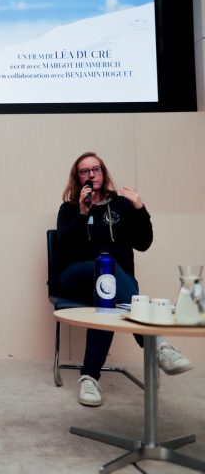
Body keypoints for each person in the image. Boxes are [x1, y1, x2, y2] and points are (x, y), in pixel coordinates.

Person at [56, 152, 192, 407]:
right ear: (78, 178)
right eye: (84, 171)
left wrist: (140, 209)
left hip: (115, 285)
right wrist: (83, 214)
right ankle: (157, 345)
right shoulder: (69, 208)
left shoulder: (121, 205)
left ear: (104, 173)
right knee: (105, 268)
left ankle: (89, 377)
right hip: (76, 277)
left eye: (96, 169)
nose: (91, 175)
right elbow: (64, 249)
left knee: (106, 298)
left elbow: (144, 243)